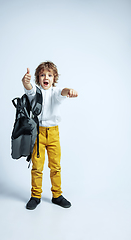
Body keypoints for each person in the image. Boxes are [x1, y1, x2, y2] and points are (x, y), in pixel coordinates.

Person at [22, 61, 78, 210]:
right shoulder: (36, 91)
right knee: (37, 167)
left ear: (54, 78)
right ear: (38, 78)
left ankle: (57, 195)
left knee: (55, 166)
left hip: (53, 133)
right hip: (38, 134)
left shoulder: (56, 92)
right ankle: (35, 196)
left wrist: (70, 90)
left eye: (49, 75)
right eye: (42, 75)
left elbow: (63, 91)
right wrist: (25, 82)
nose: (46, 77)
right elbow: (29, 89)